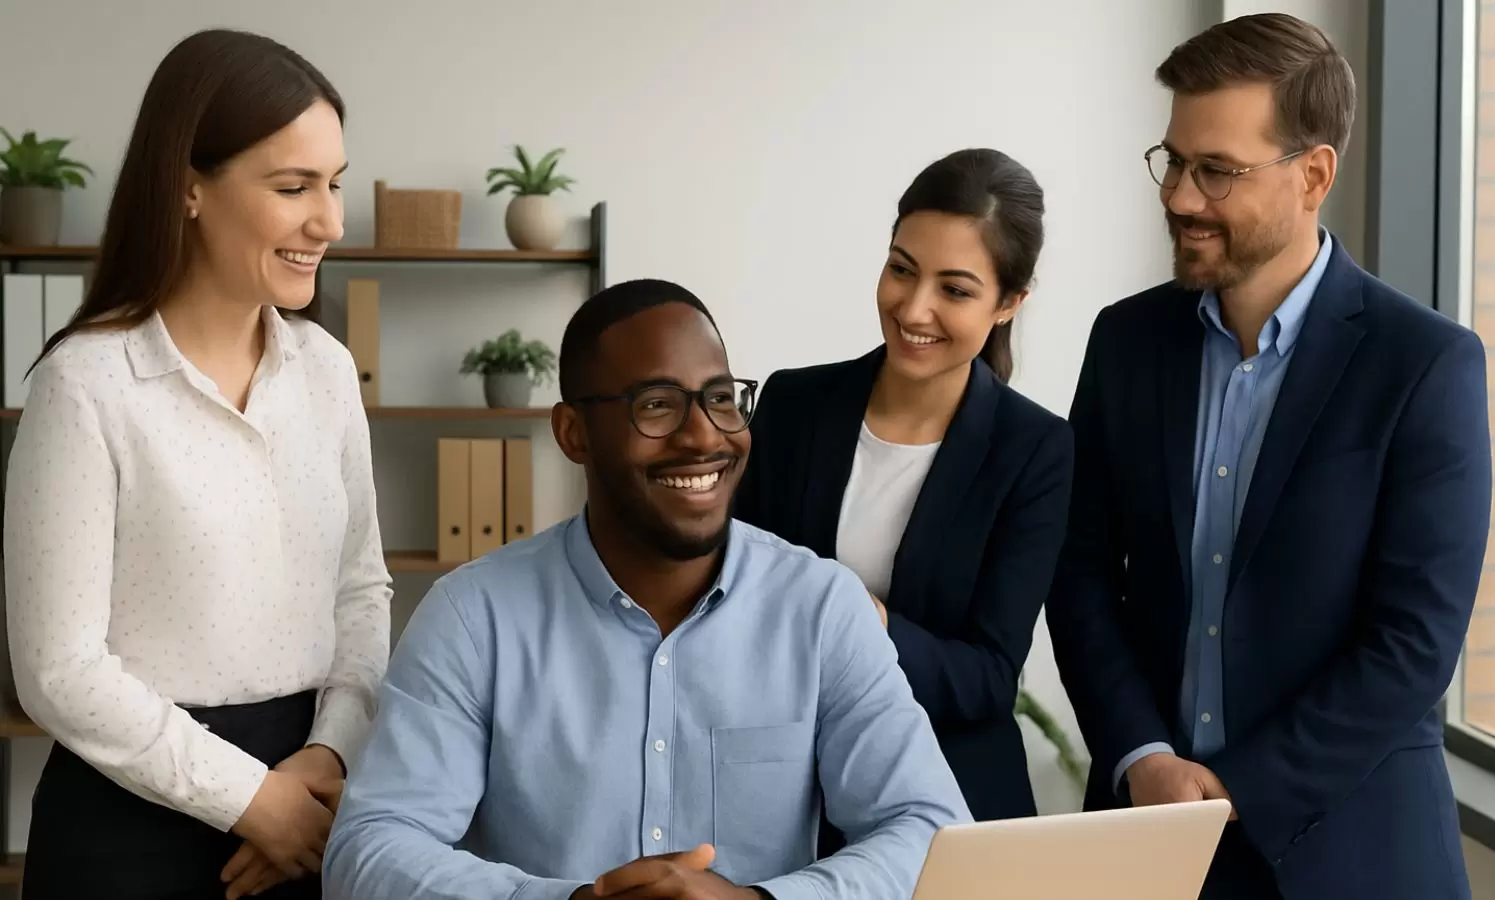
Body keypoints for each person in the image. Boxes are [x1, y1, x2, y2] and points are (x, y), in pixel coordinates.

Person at [322, 279, 971, 900]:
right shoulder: (473, 618)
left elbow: (931, 832)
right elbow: (370, 853)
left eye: (720, 398)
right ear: (573, 434)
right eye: (656, 404)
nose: (703, 436)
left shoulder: (822, 608)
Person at [1047, 14, 1489, 900]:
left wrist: (1239, 790)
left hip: (1353, 853)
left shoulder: (1424, 363)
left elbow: (1414, 642)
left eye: (1217, 171)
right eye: (1173, 161)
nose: (1178, 196)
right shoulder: (1126, 342)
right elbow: (1081, 575)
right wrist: (1143, 759)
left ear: (1313, 175)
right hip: (1151, 842)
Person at [3, 29, 391, 900]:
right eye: (292, 187)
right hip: (129, 829)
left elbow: (361, 592)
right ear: (187, 186)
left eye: (333, 184)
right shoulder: (86, 384)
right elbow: (58, 670)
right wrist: (254, 801)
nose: (328, 221)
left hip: (311, 797)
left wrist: (326, 760)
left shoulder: (326, 370)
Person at [733, 148, 1072, 846]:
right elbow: (735, 599)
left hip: (949, 801)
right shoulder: (795, 404)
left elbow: (987, 679)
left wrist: (857, 616)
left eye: (955, 289)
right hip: (784, 797)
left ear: (1010, 302)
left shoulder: (1034, 449)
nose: (913, 308)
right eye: (901, 269)